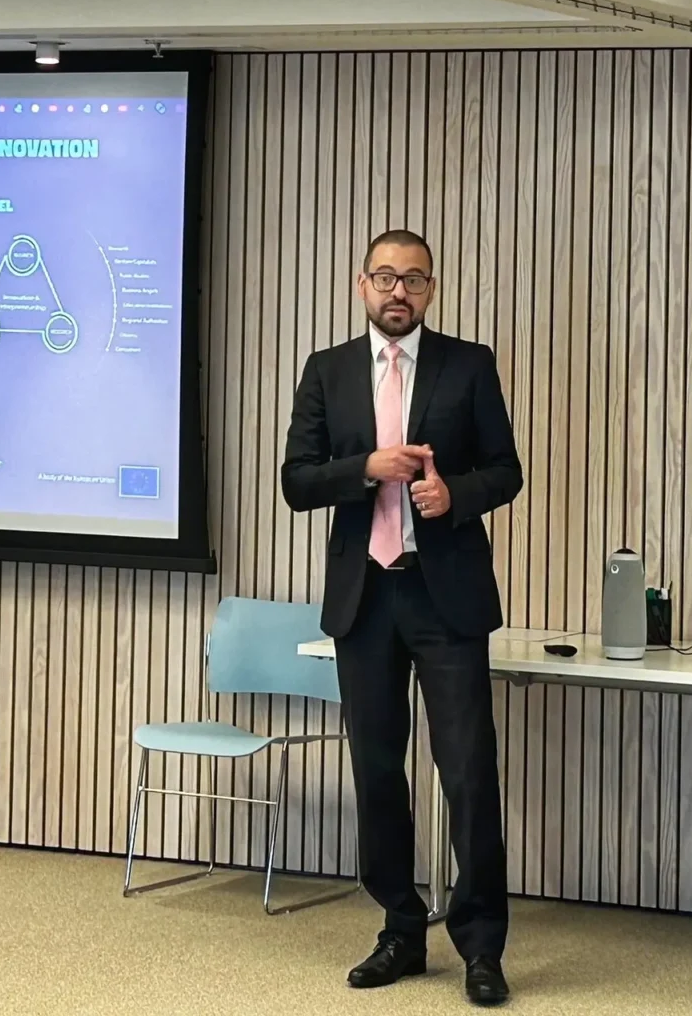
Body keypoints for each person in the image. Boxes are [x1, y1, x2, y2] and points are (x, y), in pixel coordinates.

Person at [280, 229, 522, 1007]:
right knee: (378, 772)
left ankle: (482, 945)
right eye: (384, 277)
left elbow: (506, 469)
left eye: (412, 280)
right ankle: (400, 929)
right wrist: (366, 469)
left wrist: (457, 495)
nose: (397, 292)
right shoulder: (328, 371)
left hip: (443, 594)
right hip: (365, 599)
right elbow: (297, 478)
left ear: (432, 289)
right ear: (361, 284)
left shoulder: (469, 364)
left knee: (468, 773)